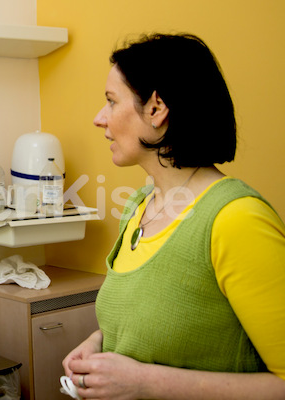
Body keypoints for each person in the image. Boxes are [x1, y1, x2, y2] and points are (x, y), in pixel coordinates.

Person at [62, 33, 285, 399]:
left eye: (111, 101)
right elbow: (152, 318)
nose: (98, 118)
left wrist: (144, 382)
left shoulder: (237, 219)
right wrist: (97, 343)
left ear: (156, 109)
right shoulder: (137, 207)